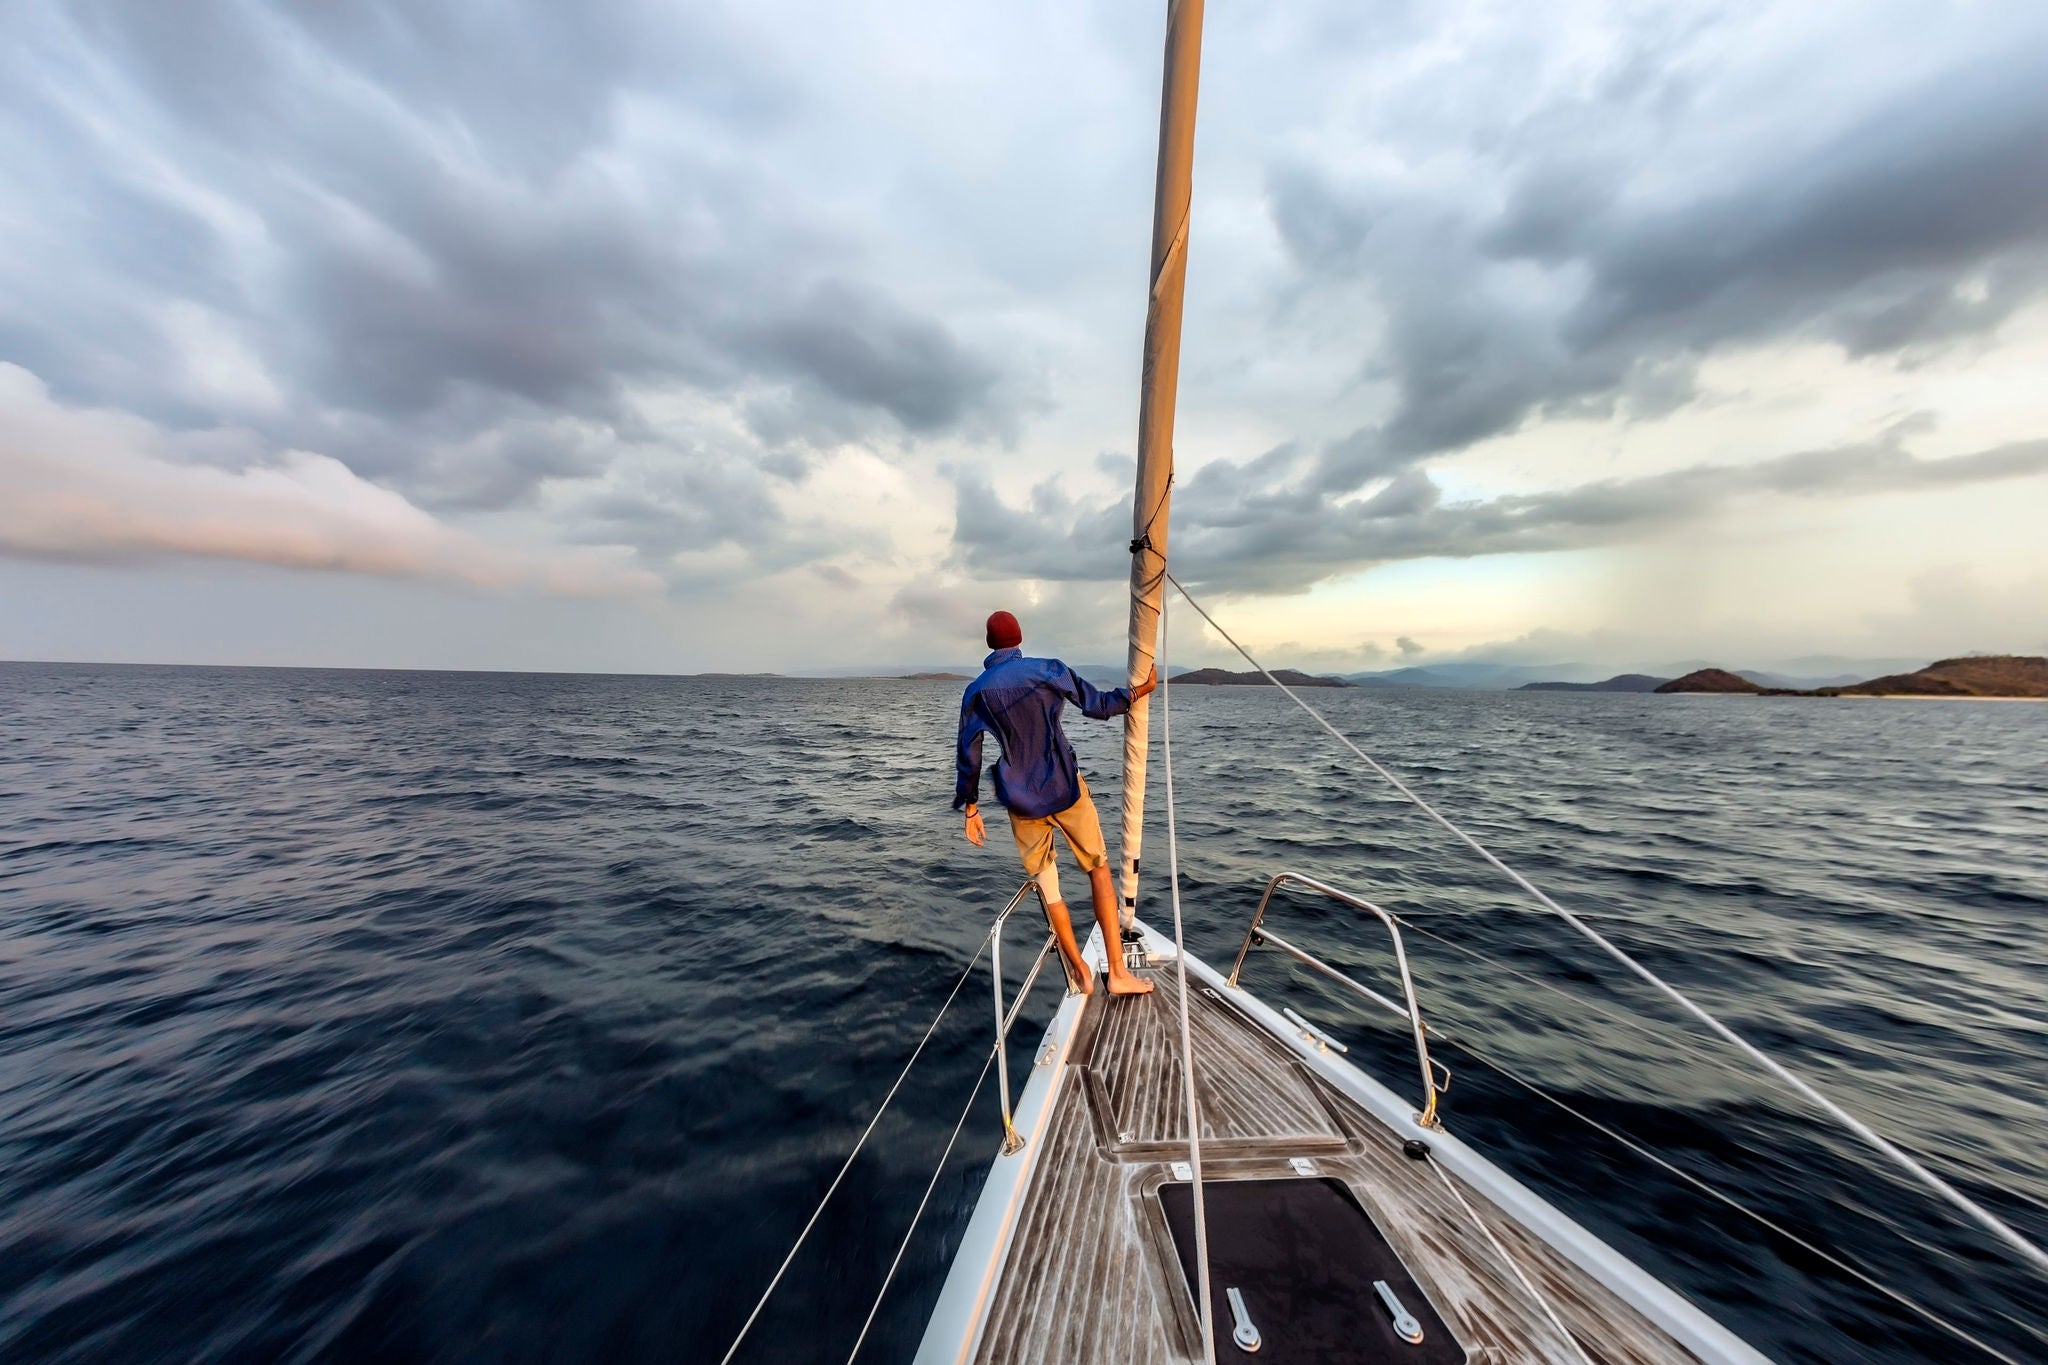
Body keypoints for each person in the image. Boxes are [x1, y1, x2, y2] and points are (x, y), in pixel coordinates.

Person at [955, 610, 1157, 996]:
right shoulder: (1047, 669)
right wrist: (1138, 691)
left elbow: (970, 753)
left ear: (988, 644)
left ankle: (1079, 969)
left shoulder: (976, 691)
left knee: (1050, 889)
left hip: (1020, 801)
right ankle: (1116, 973)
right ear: (1019, 639)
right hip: (1064, 786)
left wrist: (971, 809)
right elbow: (1097, 705)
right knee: (1098, 869)